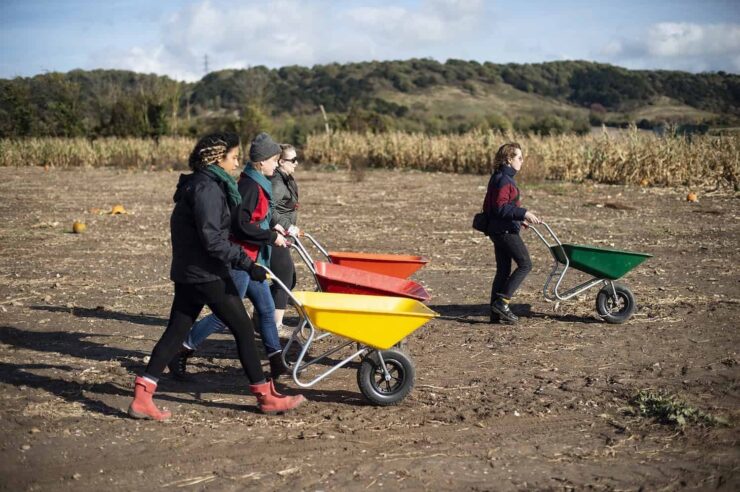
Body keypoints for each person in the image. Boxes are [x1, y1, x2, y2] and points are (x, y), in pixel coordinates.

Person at [127, 132, 305, 421]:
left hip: (188, 272)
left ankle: (142, 395)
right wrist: (247, 264)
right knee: (244, 330)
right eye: (233, 157)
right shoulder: (207, 189)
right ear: (217, 158)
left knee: (175, 332)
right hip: (206, 273)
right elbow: (214, 240)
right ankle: (266, 396)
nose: (236, 163)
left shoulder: (199, 184)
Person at [169, 132, 290, 381]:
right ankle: (184, 348)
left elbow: (257, 219)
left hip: (252, 259)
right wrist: (268, 236)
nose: (277, 165)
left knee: (266, 310)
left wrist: (272, 228)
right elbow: (239, 226)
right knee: (226, 317)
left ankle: (277, 363)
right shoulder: (249, 186)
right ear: (260, 162)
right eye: (274, 160)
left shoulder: (259, 184)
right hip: (239, 260)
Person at [483, 142, 541, 324]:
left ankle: (495, 313)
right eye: (519, 157)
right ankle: (502, 302)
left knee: (503, 270)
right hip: (504, 231)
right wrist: (524, 212)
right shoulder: (504, 180)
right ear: (509, 159)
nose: (522, 161)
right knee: (525, 264)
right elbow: (500, 208)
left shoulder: (498, 177)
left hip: (497, 229)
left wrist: (518, 219)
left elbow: (495, 208)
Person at [270, 144, 300, 336]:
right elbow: (268, 209)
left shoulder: (286, 179)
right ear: (281, 162)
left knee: (290, 279)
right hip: (274, 236)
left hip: (284, 235)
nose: (296, 164)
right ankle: (276, 325)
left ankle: (263, 314)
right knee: (284, 278)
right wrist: (286, 225)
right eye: (293, 160)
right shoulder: (277, 183)